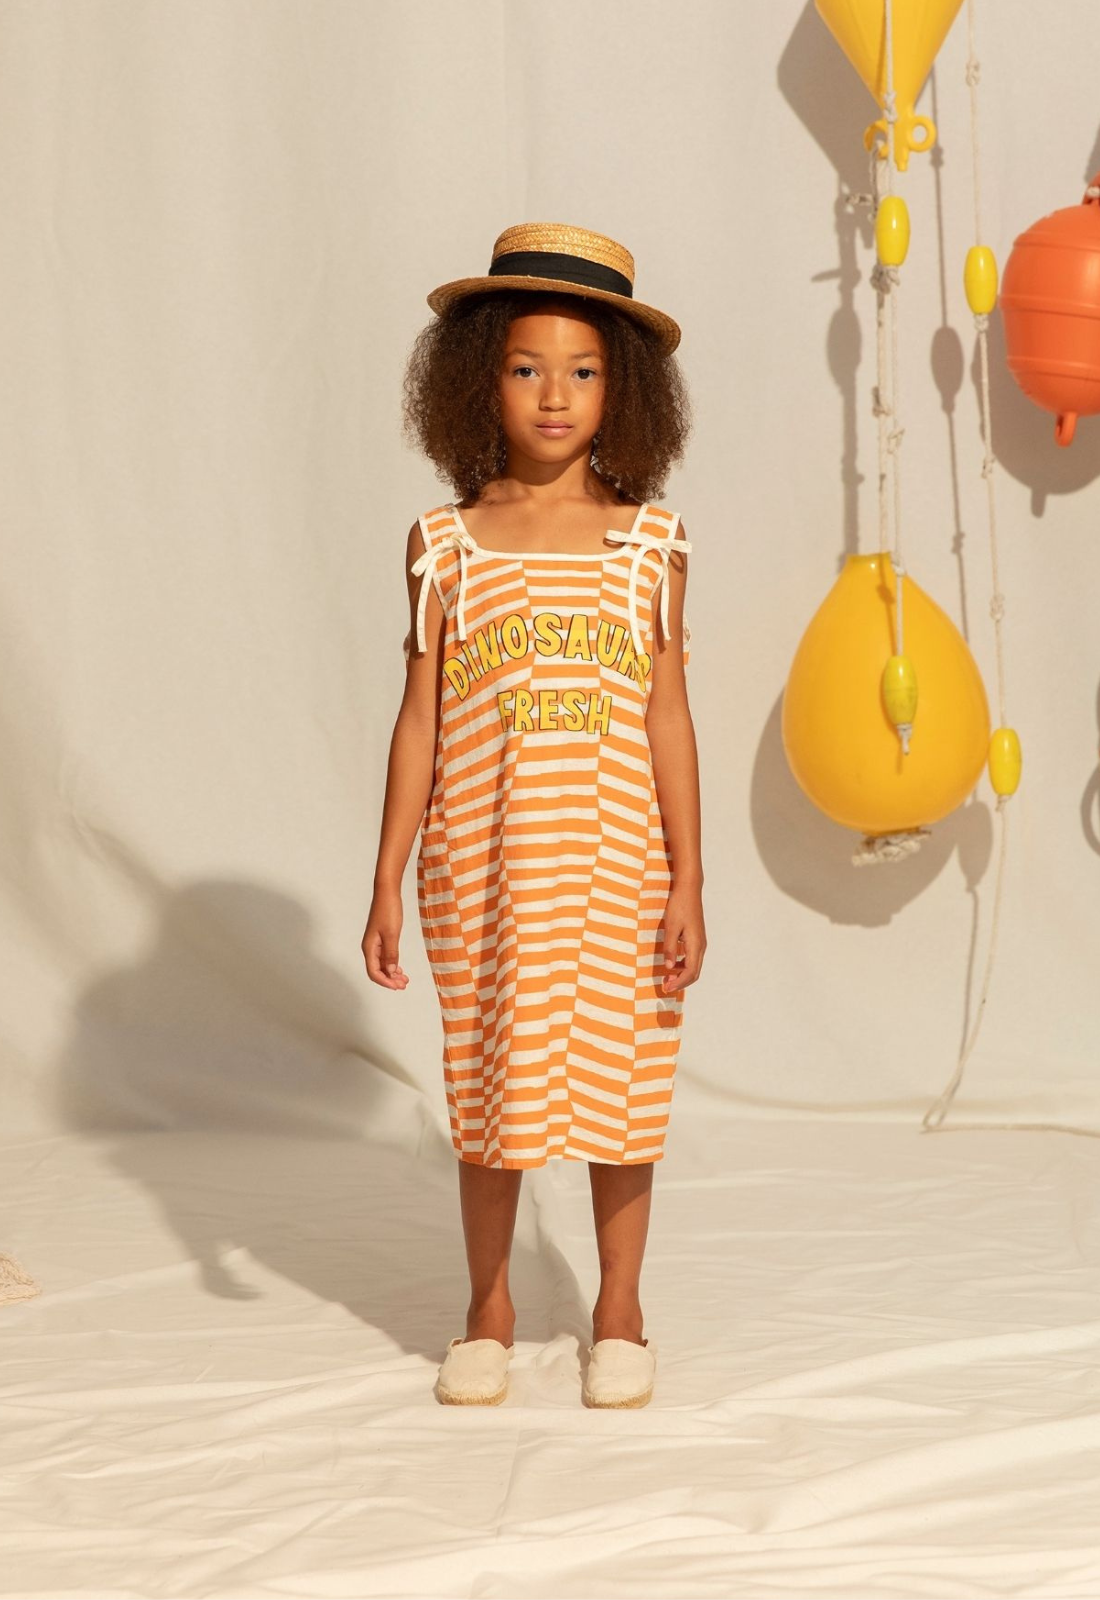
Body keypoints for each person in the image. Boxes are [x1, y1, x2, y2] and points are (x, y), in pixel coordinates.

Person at [363, 222, 706, 1408]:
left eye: (582, 370)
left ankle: (620, 1309)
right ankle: (487, 1309)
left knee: (623, 1084)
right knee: (488, 1091)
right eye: (524, 367)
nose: (553, 395)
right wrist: (385, 875)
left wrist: (688, 878)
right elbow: (419, 719)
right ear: (477, 380)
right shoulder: (443, 545)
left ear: (623, 390)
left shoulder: (649, 542)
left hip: (615, 866)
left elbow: (667, 715)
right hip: (485, 866)